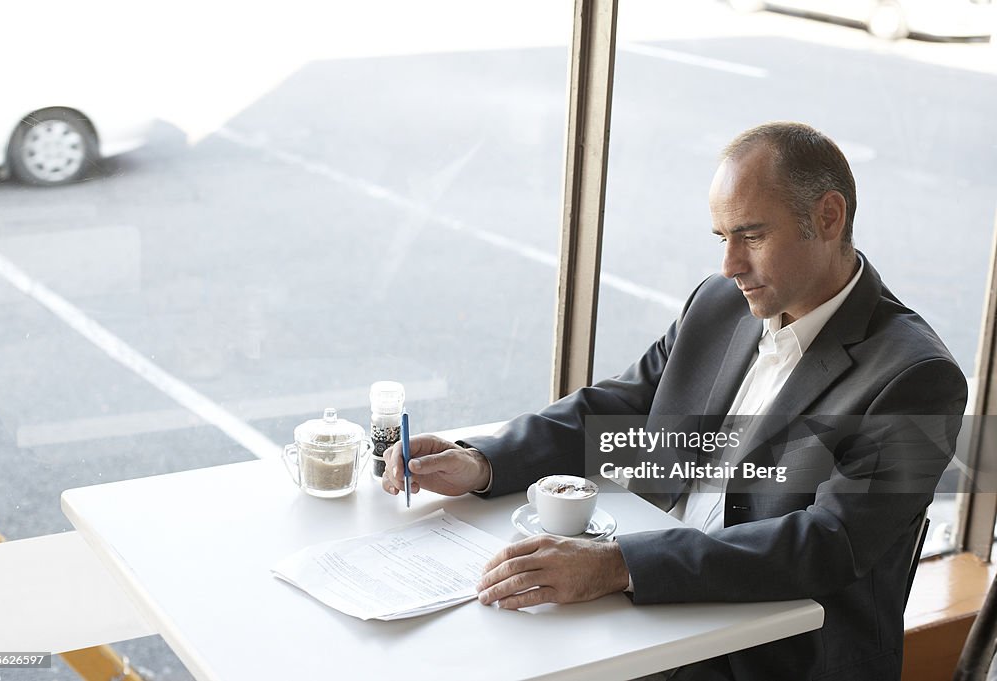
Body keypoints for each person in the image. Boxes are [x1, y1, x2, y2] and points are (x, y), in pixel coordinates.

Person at [381, 121, 967, 681]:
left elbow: (827, 542)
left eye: (752, 236)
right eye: (723, 237)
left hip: (771, 658)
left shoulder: (918, 378)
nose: (730, 265)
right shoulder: (719, 304)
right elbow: (620, 408)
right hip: (649, 612)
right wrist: (483, 460)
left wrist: (617, 565)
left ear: (829, 216)